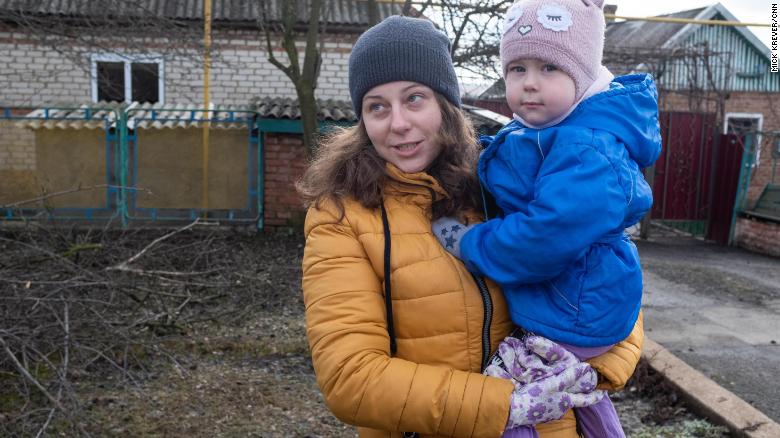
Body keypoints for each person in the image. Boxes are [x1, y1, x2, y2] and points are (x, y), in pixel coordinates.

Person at [298, 15, 644, 438]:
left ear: (445, 104)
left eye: (414, 99)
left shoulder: (499, 181)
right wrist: (505, 405)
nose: (398, 123)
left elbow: (606, 285)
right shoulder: (341, 216)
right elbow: (350, 378)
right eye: (377, 107)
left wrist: (595, 370)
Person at [432, 0, 662, 436]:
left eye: (548, 69)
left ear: (583, 74)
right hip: (580, 297)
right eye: (517, 69)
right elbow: (518, 163)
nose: (529, 84)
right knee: (572, 384)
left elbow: (543, 237)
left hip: (576, 306)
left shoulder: (587, 147)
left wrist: (471, 243)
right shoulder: (551, 130)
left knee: (506, 398)